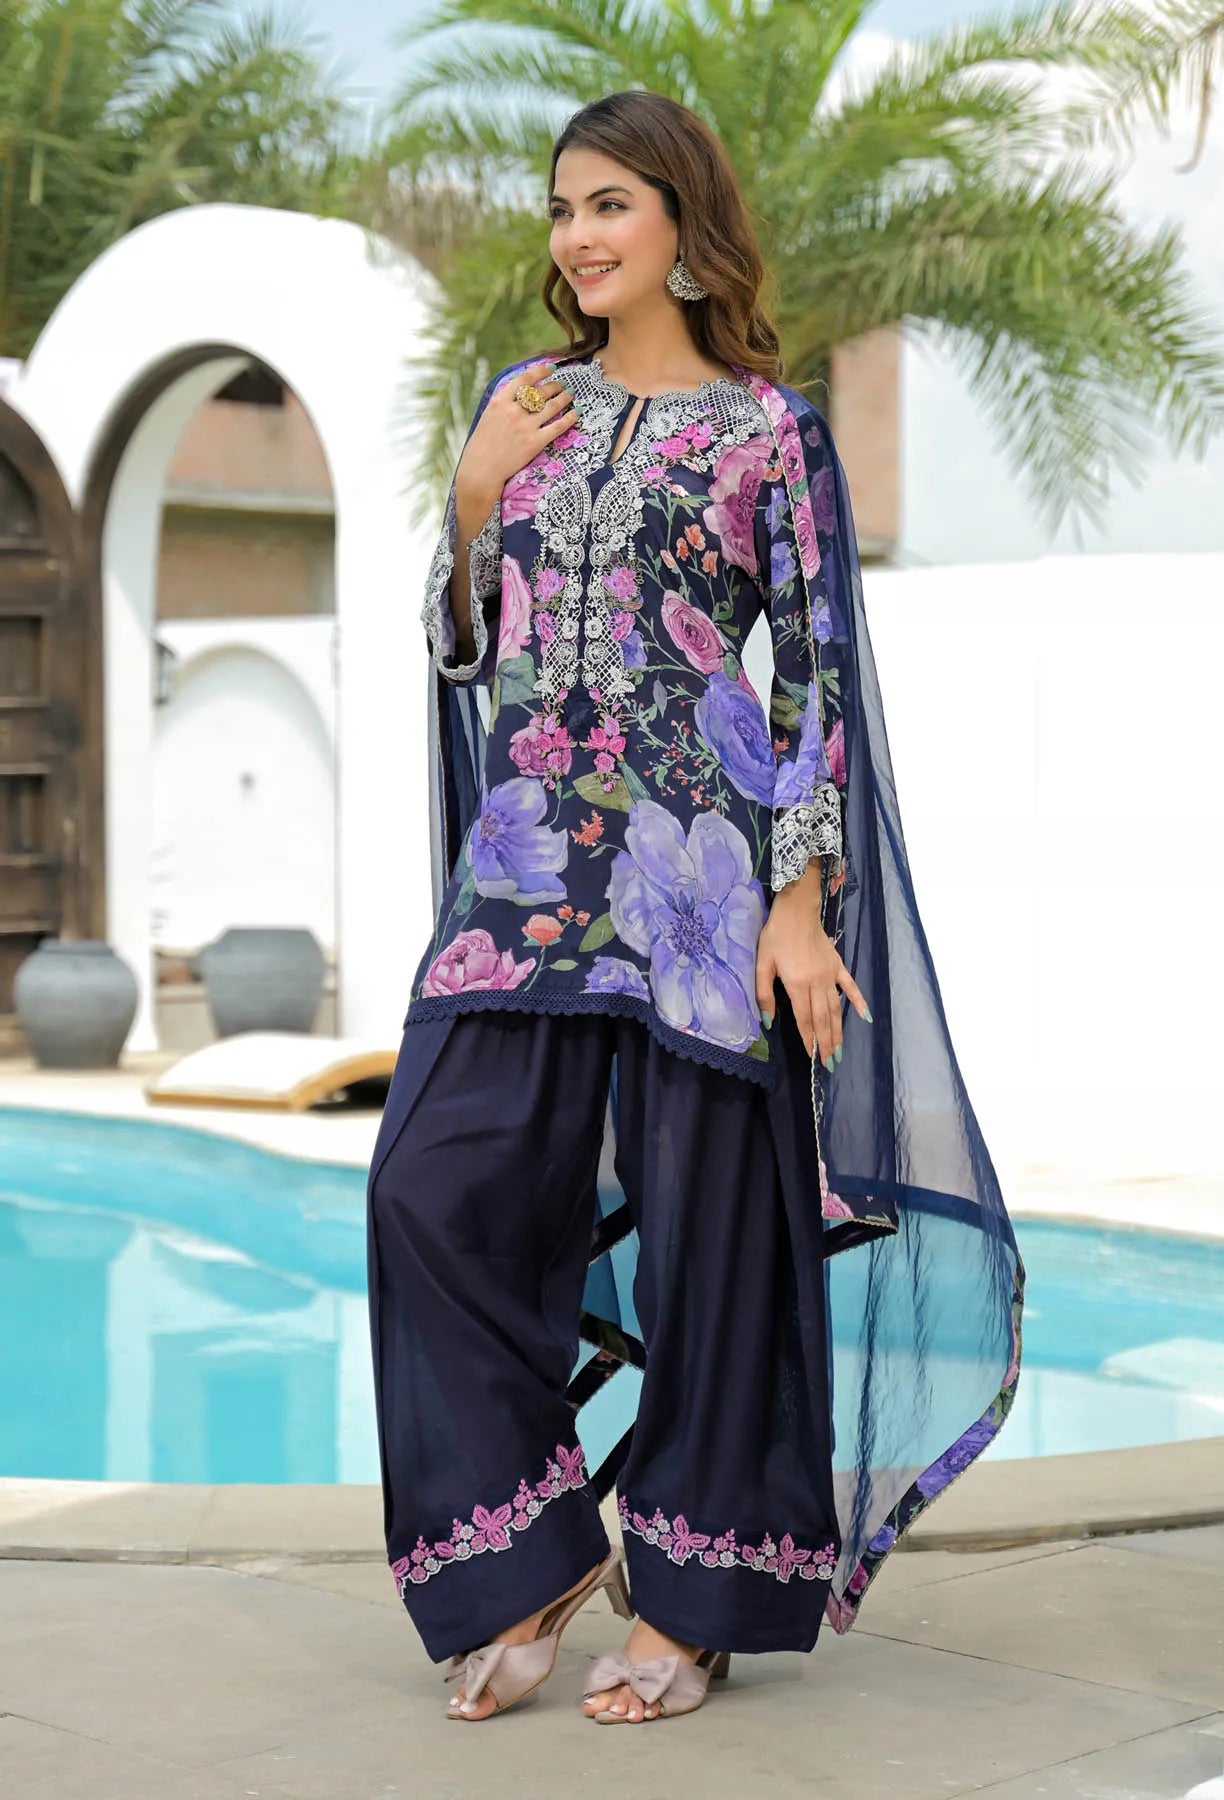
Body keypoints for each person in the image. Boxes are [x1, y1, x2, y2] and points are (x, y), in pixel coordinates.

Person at [366, 88, 1025, 1726]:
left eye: (610, 203)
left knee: (718, 1248)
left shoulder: (766, 430)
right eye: (563, 207)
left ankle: (690, 1600)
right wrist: (470, 501)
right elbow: (464, 647)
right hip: (527, 867)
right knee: (422, 1188)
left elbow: (812, 676)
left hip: (700, 881)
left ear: (681, 222)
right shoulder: (521, 404)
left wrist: (798, 906)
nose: (578, 235)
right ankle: (533, 1557)